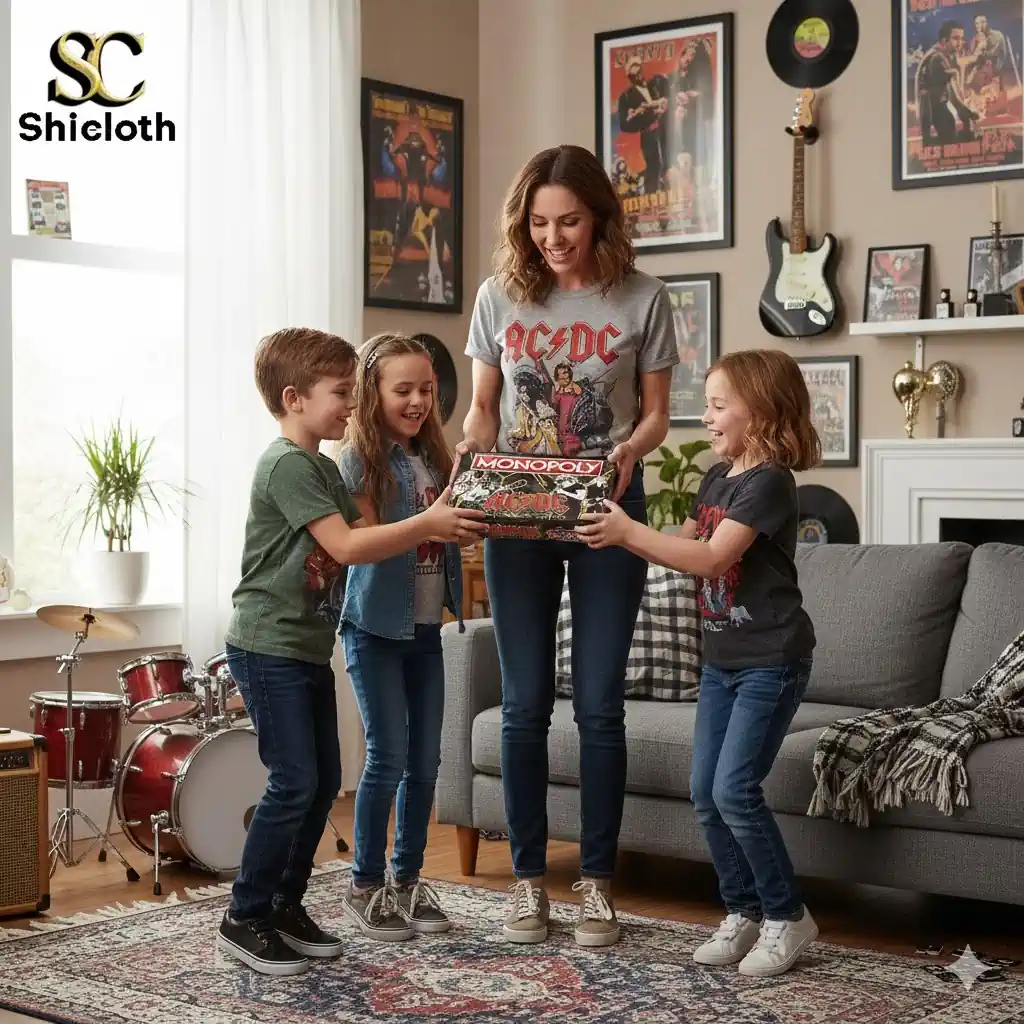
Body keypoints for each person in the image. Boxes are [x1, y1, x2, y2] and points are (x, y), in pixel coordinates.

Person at [457, 143, 678, 947]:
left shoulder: (644, 298)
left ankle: (597, 886)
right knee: (522, 704)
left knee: (598, 704)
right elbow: (486, 405)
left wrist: (632, 450)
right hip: (517, 508)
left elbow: (656, 414)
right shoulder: (499, 296)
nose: (553, 238)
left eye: (570, 222)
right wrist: (472, 441)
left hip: (606, 509)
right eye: (539, 223)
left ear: (600, 219)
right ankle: (527, 884)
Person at [217, 326, 485, 977]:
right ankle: (244, 915)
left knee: (317, 785)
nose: (351, 403)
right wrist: (427, 523)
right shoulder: (286, 464)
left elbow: (374, 528)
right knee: (295, 782)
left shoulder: (316, 465)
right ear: (294, 398)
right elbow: (347, 546)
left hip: (304, 645)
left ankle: (285, 906)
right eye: (342, 392)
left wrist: (448, 509)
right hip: (267, 643)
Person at [575, 349, 821, 978]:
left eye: (717, 405)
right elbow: (681, 547)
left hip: (771, 660)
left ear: (759, 410)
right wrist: (612, 534)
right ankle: (743, 911)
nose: (705, 417)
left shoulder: (770, 483)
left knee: (735, 790)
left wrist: (628, 533)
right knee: (706, 795)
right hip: (722, 661)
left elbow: (713, 559)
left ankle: (787, 916)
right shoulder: (716, 478)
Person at [336, 333, 464, 941]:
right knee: (387, 757)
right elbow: (365, 541)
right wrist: (432, 522)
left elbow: (445, 531)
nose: (418, 401)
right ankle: (365, 885)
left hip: (426, 628)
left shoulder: (434, 457)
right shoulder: (357, 460)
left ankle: (408, 880)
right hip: (374, 627)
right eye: (403, 390)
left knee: (425, 761)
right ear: (372, 393)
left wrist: (463, 528)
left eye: (426, 390)